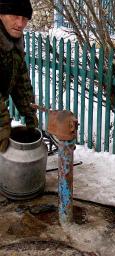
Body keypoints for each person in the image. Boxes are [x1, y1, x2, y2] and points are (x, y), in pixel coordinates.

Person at [0, 0, 38, 153]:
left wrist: (29, 113)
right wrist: (2, 124)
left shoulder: (13, 40)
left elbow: (21, 80)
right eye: (15, 16)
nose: (20, 23)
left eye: (25, 18)